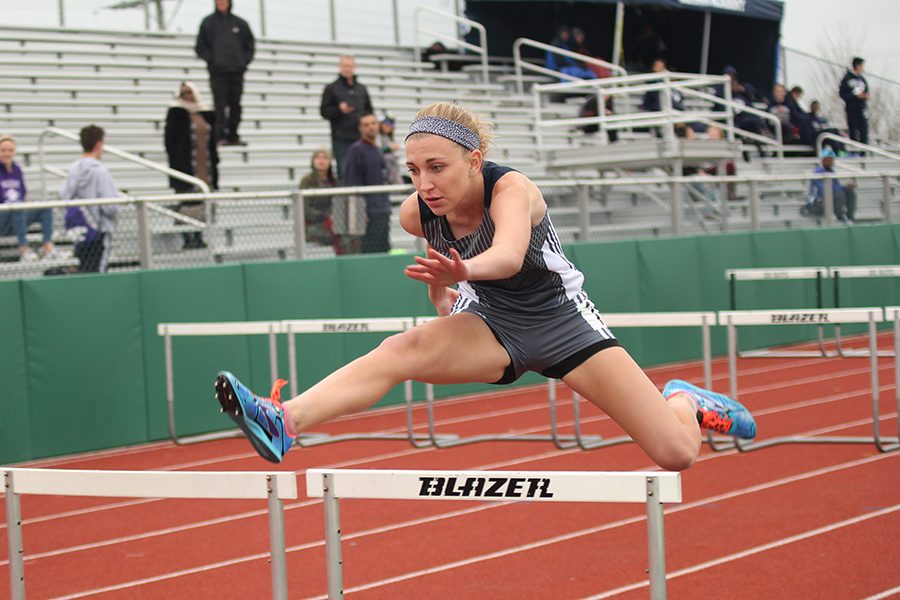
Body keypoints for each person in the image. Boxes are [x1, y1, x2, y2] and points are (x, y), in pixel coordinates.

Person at [213, 102, 758, 468]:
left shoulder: (512, 188)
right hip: (493, 323)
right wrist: (442, 291)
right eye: (412, 171)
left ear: (474, 160)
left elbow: (507, 253)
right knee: (401, 349)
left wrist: (464, 272)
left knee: (676, 454)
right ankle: (283, 421)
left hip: (565, 324)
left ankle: (684, 399)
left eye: (437, 167)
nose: (424, 183)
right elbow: (436, 239)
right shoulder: (417, 211)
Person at [164, 81, 219, 249]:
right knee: (187, 203)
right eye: (184, 93)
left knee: (203, 202)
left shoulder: (206, 113)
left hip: (205, 165)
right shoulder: (176, 112)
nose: (187, 96)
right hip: (186, 166)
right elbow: (170, 141)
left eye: (190, 92)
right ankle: (188, 237)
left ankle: (200, 235)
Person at [60, 125, 120, 273]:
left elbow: (63, 195)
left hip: (79, 230)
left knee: (83, 270)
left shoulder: (73, 169)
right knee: (98, 272)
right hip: (99, 229)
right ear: (99, 144)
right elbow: (110, 206)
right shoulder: (100, 171)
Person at [195, 0, 255, 146]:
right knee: (220, 104)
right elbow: (200, 46)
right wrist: (213, 61)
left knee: (235, 104)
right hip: (218, 72)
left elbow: (250, 45)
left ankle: (233, 135)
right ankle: (219, 135)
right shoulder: (208, 22)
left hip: (236, 71)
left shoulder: (240, 23)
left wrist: (242, 62)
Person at [0, 135, 57, 261]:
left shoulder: (17, 170)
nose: (7, 153)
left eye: (10, 150)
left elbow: (22, 193)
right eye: (3, 150)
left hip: (17, 213)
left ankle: (47, 245)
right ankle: (24, 248)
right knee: (17, 205)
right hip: (2, 216)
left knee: (45, 204)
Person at [343, 112, 391, 254]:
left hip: (382, 209)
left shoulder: (378, 149)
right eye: (366, 125)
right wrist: (360, 210)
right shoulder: (356, 150)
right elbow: (351, 182)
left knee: (383, 248)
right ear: (360, 128)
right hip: (367, 213)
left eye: (373, 123)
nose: (371, 127)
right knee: (368, 251)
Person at [320, 55, 374, 178]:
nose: (347, 69)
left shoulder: (361, 88)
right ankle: (347, 197)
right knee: (345, 170)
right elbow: (324, 111)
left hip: (361, 137)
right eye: (344, 66)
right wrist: (339, 109)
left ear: (354, 67)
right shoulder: (331, 88)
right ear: (339, 67)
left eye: (349, 66)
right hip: (341, 138)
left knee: (364, 169)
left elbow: (369, 111)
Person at [802, 147, 856, 224]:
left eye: (832, 160)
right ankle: (840, 219)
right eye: (828, 160)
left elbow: (836, 188)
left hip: (830, 200)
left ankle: (850, 218)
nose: (831, 162)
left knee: (850, 192)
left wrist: (846, 187)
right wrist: (842, 188)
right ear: (823, 161)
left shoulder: (832, 171)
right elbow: (823, 190)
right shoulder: (817, 172)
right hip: (816, 203)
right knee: (839, 194)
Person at [298, 148, 339, 250]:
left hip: (333, 222)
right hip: (313, 224)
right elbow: (305, 207)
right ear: (313, 161)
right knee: (332, 235)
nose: (321, 161)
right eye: (318, 158)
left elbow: (338, 203)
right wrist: (323, 216)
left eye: (325, 158)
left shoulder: (334, 181)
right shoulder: (307, 181)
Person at [839, 57, 869, 145]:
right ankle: (855, 152)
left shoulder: (862, 79)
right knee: (854, 131)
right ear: (857, 65)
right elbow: (842, 94)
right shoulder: (847, 78)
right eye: (862, 65)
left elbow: (866, 91)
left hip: (862, 109)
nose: (863, 68)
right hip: (852, 109)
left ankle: (863, 153)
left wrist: (865, 96)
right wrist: (855, 97)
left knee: (864, 131)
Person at [378, 116, 402, 185]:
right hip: (382, 170)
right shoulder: (378, 136)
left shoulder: (389, 137)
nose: (388, 126)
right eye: (386, 124)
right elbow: (375, 151)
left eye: (391, 125)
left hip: (392, 170)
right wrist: (389, 148)